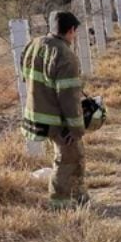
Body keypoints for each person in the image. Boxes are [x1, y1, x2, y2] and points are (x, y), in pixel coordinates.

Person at [20, 11, 87, 208]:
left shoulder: (34, 44)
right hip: (55, 118)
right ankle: (60, 203)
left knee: (75, 154)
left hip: (34, 113)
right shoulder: (65, 55)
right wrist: (75, 129)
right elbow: (69, 98)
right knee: (67, 159)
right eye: (75, 33)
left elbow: (24, 74)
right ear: (71, 30)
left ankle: (78, 196)